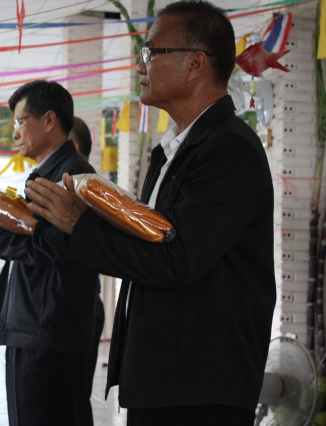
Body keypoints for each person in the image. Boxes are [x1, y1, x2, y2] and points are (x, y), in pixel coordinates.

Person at [23, 2, 275, 425]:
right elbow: (150, 246)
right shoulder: (174, 152)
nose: (140, 65)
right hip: (167, 373)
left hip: (200, 383)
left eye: (151, 52)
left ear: (195, 64)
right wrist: (89, 217)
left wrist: (78, 224)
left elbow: (178, 260)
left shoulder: (228, 150)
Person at [0, 80, 100, 426]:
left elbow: (52, 247)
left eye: (20, 121)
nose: (15, 133)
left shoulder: (70, 175)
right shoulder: (50, 172)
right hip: (41, 324)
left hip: (49, 329)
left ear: (48, 120)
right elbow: (38, 238)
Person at [68, 115, 107, 398]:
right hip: (73, 306)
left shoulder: (84, 185)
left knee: (73, 399)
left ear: (72, 147)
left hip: (79, 308)